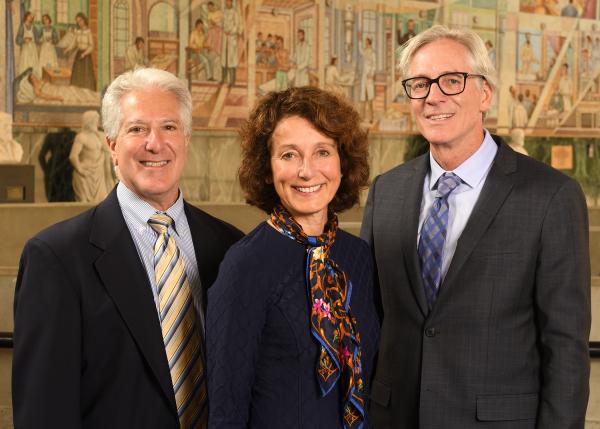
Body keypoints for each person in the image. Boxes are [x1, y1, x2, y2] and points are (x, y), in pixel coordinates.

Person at [361, 25, 590, 428]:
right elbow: (368, 319)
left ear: (484, 94)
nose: (433, 96)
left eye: (452, 81)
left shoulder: (551, 197)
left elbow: (565, 346)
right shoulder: (386, 192)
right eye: (420, 84)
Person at [13, 68, 244, 427]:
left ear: (186, 138)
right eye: (137, 129)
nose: (155, 143)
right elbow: (44, 411)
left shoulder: (230, 245)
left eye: (169, 127)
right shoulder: (56, 257)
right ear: (111, 145)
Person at [207, 87, 380, 428]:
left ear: (342, 164)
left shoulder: (358, 256)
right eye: (289, 155)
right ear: (267, 169)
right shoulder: (245, 266)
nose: (307, 171)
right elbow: (227, 410)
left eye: (322, 152)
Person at [69, 110, 114, 203]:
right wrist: (80, 169)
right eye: (95, 121)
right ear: (89, 122)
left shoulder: (99, 136)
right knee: (84, 204)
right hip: (86, 174)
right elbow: (73, 156)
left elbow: (107, 152)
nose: (97, 123)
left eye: (97, 121)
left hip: (99, 173)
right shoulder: (81, 137)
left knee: (101, 201)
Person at [66, 12, 96, 91]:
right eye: (77, 21)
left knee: (86, 75)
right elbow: (74, 43)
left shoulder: (88, 32)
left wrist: (85, 53)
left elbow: (92, 46)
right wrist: (67, 49)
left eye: (80, 20)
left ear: (84, 20)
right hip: (79, 54)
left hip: (86, 56)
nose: (79, 23)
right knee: (77, 75)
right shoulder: (78, 32)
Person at [221, 0, 242, 87]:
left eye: (229, 2)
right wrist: (224, 30)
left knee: (231, 60)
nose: (227, 3)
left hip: (231, 38)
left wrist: (230, 31)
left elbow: (237, 26)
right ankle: (224, 80)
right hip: (225, 37)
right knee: (224, 60)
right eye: (226, 2)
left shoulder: (235, 13)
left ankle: (232, 81)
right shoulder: (224, 12)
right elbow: (222, 23)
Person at [16, 11, 41, 78]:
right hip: (25, 49)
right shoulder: (22, 27)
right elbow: (17, 40)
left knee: (33, 65)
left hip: (33, 49)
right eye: (29, 16)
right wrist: (24, 40)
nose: (30, 17)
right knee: (25, 65)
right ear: (26, 17)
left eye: (31, 16)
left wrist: (40, 40)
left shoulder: (34, 27)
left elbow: (37, 39)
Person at [359, 37, 376, 123]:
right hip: (364, 77)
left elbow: (374, 65)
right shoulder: (365, 51)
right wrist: (359, 40)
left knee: (370, 98)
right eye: (364, 42)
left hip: (369, 77)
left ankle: (371, 118)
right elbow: (360, 51)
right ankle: (362, 118)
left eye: (366, 42)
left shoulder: (372, 53)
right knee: (362, 98)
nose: (365, 44)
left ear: (369, 43)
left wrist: (371, 74)